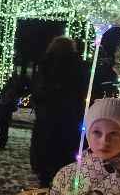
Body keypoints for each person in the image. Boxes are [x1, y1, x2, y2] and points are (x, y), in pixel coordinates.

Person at [30, 36, 88, 187]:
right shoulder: (77, 65)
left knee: (46, 147)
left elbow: (37, 89)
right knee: (67, 148)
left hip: (47, 115)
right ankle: (63, 179)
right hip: (69, 115)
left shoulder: (45, 64)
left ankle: (44, 179)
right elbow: (82, 90)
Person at [0, 73, 23, 151]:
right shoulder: (13, 91)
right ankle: (1, 146)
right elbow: (13, 105)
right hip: (5, 112)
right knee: (3, 130)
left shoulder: (3, 88)